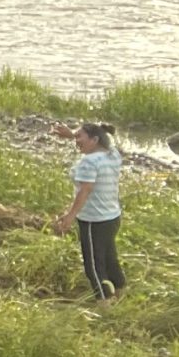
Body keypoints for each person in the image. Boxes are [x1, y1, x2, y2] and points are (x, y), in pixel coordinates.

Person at [51, 120, 127, 299]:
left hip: (94, 220)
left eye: (80, 137)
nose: (77, 141)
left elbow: (85, 190)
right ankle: (121, 294)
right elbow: (103, 140)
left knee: (93, 266)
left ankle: (104, 303)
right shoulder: (112, 154)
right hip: (112, 217)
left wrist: (70, 216)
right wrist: (72, 135)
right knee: (109, 259)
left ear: (94, 140)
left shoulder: (89, 162)